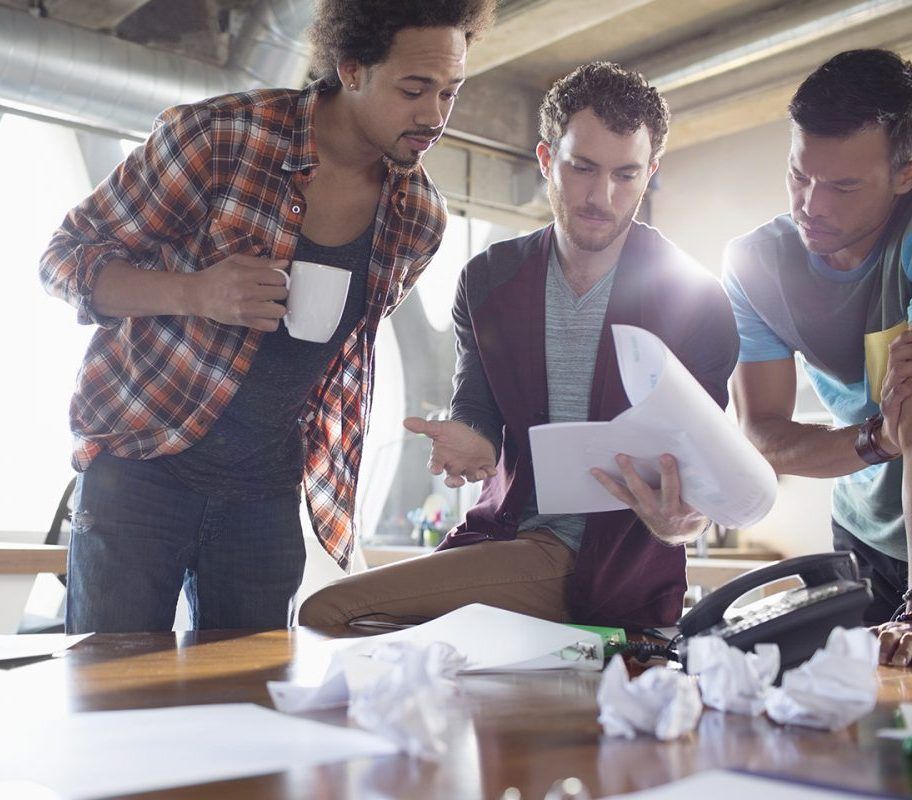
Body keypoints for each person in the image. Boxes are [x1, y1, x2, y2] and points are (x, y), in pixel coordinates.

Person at [39, 0, 497, 634]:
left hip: (264, 497)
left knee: (249, 710)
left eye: (451, 92)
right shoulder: (222, 137)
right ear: (352, 69)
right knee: (109, 700)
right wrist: (195, 293)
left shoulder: (419, 217)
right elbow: (64, 260)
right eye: (414, 89)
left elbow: (330, 356)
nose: (434, 116)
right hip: (142, 470)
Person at [299, 62, 740, 630]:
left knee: (329, 610)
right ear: (545, 159)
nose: (601, 196)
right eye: (582, 168)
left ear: (650, 171)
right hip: (505, 539)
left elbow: (698, 483)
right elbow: (477, 409)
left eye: (626, 175)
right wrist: (469, 440)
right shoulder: (488, 279)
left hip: (610, 571)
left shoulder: (698, 300)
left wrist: (678, 522)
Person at [723, 49, 912, 665]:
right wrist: (878, 440)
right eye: (800, 175)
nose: (812, 204)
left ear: (905, 173)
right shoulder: (756, 265)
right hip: (863, 537)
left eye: (843, 186)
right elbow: (765, 435)